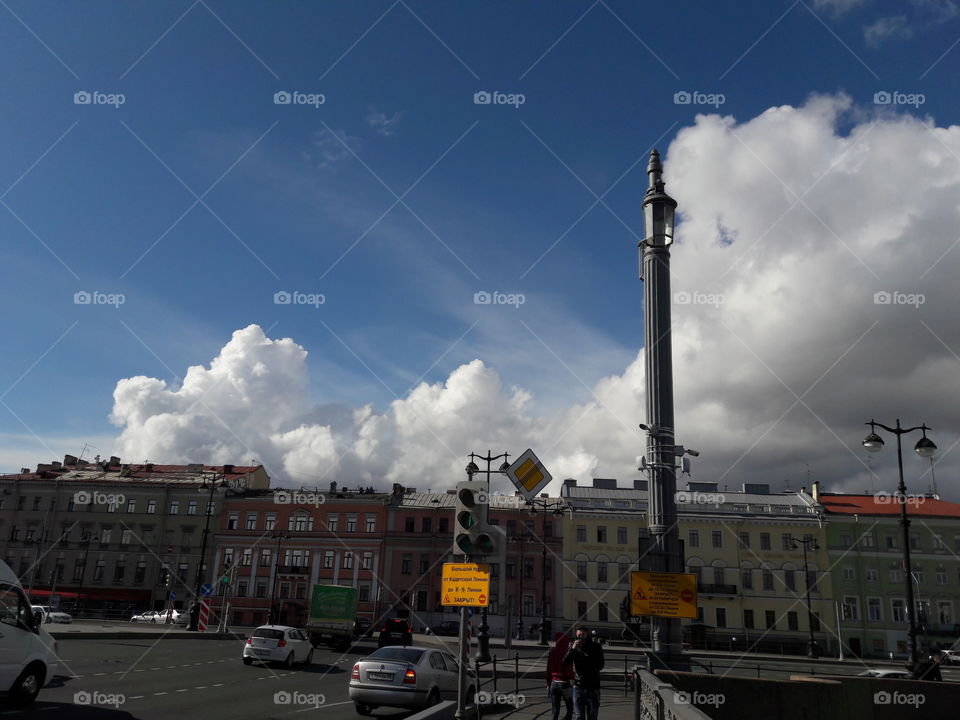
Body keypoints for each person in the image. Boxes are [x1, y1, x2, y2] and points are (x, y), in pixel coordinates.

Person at [563, 625, 604, 720]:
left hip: (592, 687)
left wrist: (586, 658)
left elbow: (601, 665)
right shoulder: (574, 647)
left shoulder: (596, 647)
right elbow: (565, 662)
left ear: (587, 635)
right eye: (578, 635)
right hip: (578, 686)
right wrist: (572, 649)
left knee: (592, 716)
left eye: (582, 635)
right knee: (579, 716)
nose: (580, 637)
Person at [546, 633, 574, 720]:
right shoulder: (567, 652)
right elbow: (569, 669)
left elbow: (548, 669)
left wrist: (548, 684)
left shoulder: (552, 652)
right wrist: (572, 681)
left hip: (554, 684)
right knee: (570, 709)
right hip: (565, 684)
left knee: (555, 711)